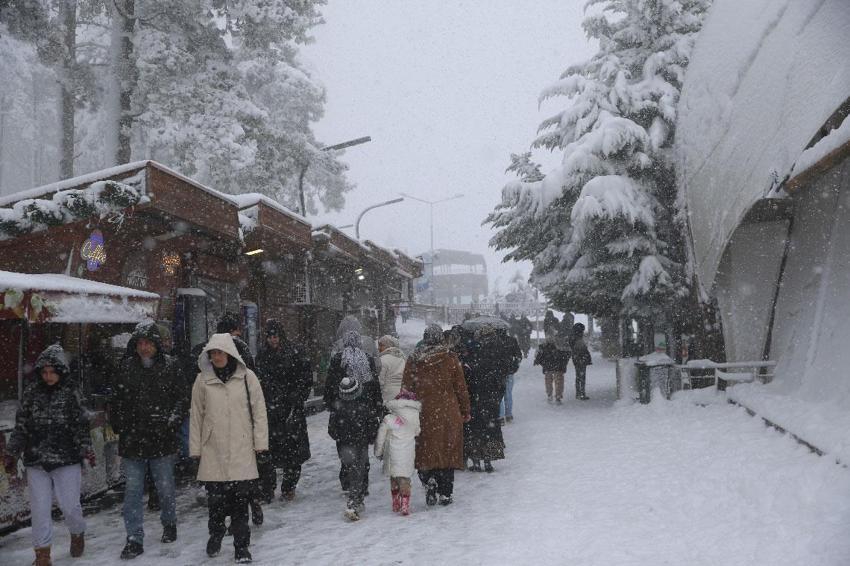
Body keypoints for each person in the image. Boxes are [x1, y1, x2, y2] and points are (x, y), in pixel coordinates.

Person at [6, 345, 94, 566]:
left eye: (52, 372)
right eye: (44, 372)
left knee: (70, 506)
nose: (48, 376)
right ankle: (42, 554)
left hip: (67, 459)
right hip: (36, 460)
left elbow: (80, 425)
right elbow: (21, 427)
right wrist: (12, 453)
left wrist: (86, 448)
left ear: (61, 371)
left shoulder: (72, 391)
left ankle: (77, 532)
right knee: (40, 509)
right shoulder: (31, 392)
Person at [110, 321, 186, 560]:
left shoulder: (171, 367)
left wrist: (171, 420)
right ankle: (133, 537)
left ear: (156, 344)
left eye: (148, 343)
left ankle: (169, 522)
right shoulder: (125, 368)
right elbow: (116, 401)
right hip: (133, 441)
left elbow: (182, 398)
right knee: (132, 491)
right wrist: (120, 424)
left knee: (165, 487)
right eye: (140, 343)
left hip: (162, 440)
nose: (144, 348)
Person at [191, 333, 269, 564]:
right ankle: (216, 533)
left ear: (229, 354)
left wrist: (260, 444)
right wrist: (195, 450)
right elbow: (196, 416)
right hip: (213, 451)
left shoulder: (247, 378)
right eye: (213, 353)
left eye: (220, 352)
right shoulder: (202, 381)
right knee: (215, 503)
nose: (216, 357)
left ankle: (241, 547)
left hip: (242, 450)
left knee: (239, 503)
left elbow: (259, 412)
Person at [402, 324, 471, 506]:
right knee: (447, 451)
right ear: (441, 338)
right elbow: (461, 388)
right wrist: (465, 410)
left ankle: (428, 480)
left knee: (424, 451)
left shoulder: (414, 359)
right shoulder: (450, 358)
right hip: (448, 412)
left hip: (422, 412)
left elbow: (407, 389)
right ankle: (446, 492)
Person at [254, 319, 312, 502]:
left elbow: (305, 377)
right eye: (270, 337)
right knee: (268, 454)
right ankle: (268, 489)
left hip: (291, 410)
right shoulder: (263, 356)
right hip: (271, 411)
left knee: (293, 454)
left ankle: (289, 487)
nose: (273, 340)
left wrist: (296, 396)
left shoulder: (295, 353)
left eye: (275, 336)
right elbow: (259, 380)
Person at [324, 331, 382, 499]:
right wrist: (377, 406)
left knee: (344, 447)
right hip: (364, 412)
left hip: (342, 411)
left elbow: (330, 385)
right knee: (362, 448)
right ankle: (362, 482)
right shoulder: (367, 359)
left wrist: (332, 404)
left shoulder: (337, 360)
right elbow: (374, 386)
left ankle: (348, 481)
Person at [464, 326, 519, 472]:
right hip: (491, 397)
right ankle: (488, 461)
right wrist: (497, 393)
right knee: (491, 428)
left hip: (476, 397)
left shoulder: (474, 352)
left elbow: (468, 376)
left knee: (475, 430)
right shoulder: (499, 351)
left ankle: (476, 460)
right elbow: (505, 372)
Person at [328, 375, 380, 521]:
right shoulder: (365, 407)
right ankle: (354, 502)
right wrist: (370, 438)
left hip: (344, 446)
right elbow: (373, 426)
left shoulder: (337, 408)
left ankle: (357, 496)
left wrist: (340, 438)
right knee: (359, 471)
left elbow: (332, 430)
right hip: (360, 445)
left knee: (351, 470)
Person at [374, 389, 421, 516]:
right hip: (407, 452)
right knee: (404, 479)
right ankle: (405, 504)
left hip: (392, 453)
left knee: (394, 478)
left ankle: (396, 502)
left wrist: (378, 452)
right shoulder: (415, 417)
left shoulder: (389, 418)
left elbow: (380, 437)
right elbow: (417, 431)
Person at [534, 335, 571, 404]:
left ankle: (550, 395)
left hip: (548, 365)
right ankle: (558, 397)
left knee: (549, 380)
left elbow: (538, 356)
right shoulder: (562, 344)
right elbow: (567, 354)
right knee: (559, 381)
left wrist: (542, 362)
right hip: (558, 365)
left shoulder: (543, 346)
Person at [377, 335, 405, 404]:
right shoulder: (402, 359)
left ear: (388, 346)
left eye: (381, 345)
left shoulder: (383, 360)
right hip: (401, 395)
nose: (378, 348)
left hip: (387, 395)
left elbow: (380, 381)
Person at [571, 323, 593, 400]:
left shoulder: (573, 337)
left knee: (578, 376)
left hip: (576, 358)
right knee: (582, 376)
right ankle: (582, 393)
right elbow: (583, 349)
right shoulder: (579, 338)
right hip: (581, 358)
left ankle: (578, 393)